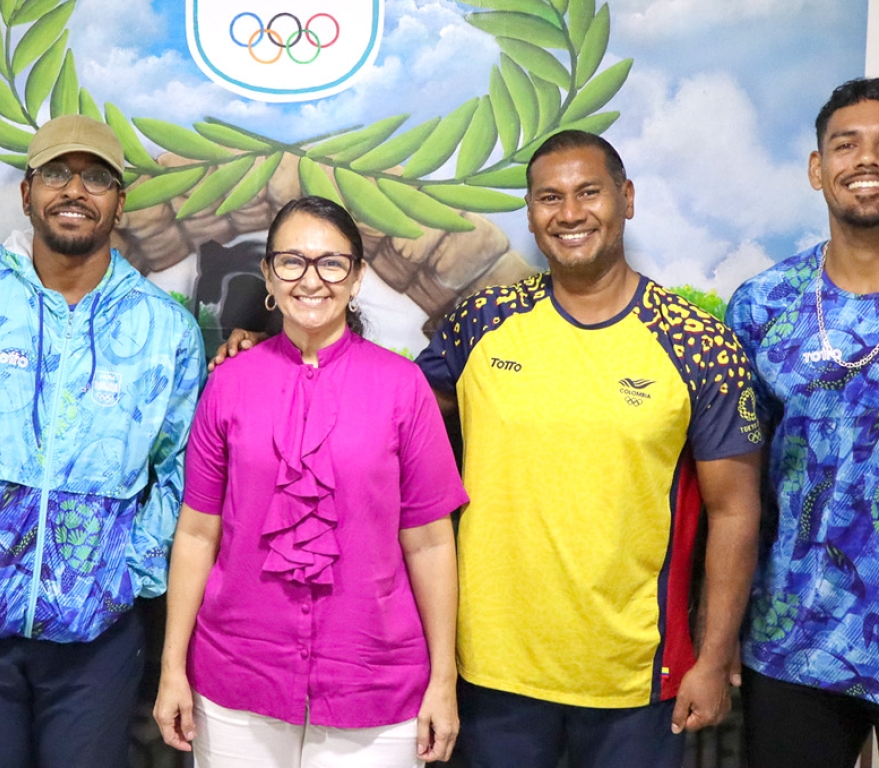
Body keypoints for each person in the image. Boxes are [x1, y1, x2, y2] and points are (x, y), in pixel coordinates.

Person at [216, 131, 762, 768]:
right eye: (549, 197)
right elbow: (374, 400)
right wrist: (280, 354)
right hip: (489, 671)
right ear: (531, 214)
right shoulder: (481, 321)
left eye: (590, 192)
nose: (570, 212)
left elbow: (734, 511)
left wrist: (715, 654)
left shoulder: (698, 343)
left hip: (634, 675)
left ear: (627, 199)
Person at [0, 114, 206, 768]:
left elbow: (184, 470)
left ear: (120, 203)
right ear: (27, 192)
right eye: (57, 173)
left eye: (97, 178)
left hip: (98, 639)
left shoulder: (164, 329)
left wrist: (131, 574)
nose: (75, 190)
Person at [154, 196, 468, 767]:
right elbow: (198, 534)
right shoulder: (228, 385)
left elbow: (429, 541)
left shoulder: (403, 387)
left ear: (357, 276)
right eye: (292, 262)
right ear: (270, 277)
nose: (312, 279)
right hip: (237, 680)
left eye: (331, 263)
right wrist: (172, 668)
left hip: (377, 683)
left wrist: (443, 680)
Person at [726, 78, 879, 768]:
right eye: (846, 145)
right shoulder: (763, 306)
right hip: (795, 643)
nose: (865, 161)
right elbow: (732, 488)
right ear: (818, 169)